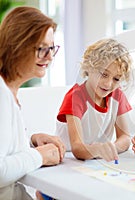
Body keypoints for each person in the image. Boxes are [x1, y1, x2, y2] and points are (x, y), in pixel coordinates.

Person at [0, 6, 65, 200]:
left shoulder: (9, 91)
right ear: (17, 45)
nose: (50, 57)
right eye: (42, 49)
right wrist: (40, 156)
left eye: (52, 48)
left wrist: (31, 142)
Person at [55, 38, 132, 161]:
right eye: (104, 74)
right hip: (67, 159)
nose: (108, 84)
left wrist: (111, 148)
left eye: (116, 79)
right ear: (89, 68)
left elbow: (125, 137)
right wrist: (99, 150)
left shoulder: (117, 96)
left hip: (96, 160)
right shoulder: (76, 97)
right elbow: (77, 148)